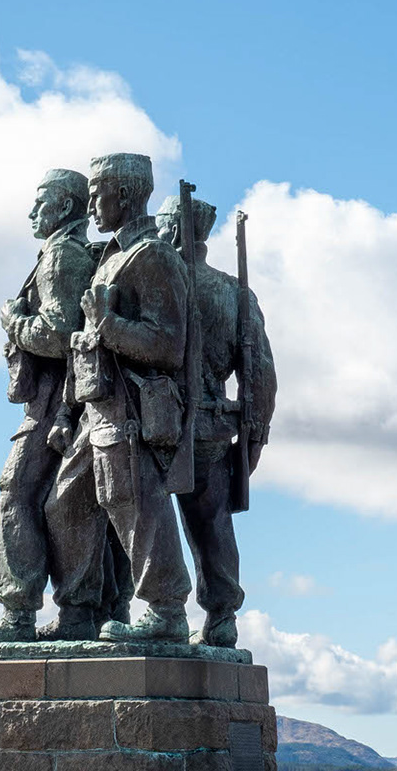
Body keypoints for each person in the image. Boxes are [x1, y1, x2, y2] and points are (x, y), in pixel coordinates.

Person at [46, 152, 194, 643]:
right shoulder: (110, 256)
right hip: (95, 407)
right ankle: (78, 614)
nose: (90, 204)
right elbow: (83, 340)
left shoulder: (152, 256)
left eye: (96, 193)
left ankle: (167, 611)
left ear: (125, 195)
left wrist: (109, 325)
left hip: (130, 408)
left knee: (136, 503)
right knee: (65, 505)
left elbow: (169, 344)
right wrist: (69, 408)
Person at [0, 169, 97, 650]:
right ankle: (76, 610)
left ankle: (19, 613)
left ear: (62, 207)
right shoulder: (64, 253)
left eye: (40, 202)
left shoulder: (61, 256)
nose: (32, 212)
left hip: (57, 401)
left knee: (16, 495)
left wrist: (14, 321)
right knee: (65, 505)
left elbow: (58, 336)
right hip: (60, 400)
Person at [155, 194, 276, 647]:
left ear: (172, 229)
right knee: (212, 525)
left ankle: (158, 610)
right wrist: (253, 439)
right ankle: (221, 615)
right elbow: (261, 378)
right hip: (211, 425)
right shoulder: (235, 293)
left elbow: (259, 373)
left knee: (143, 520)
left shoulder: (160, 280)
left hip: (159, 423)